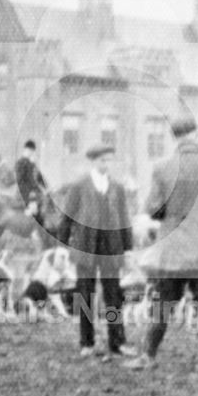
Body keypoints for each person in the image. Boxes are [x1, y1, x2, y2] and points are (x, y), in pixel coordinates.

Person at [123, 114, 198, 372]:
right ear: (195, 134)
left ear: (174, 137)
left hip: (172, 251)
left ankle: (148, 357)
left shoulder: (162, 167)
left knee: (162, 304)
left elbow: (152, 209)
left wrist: (168, 213)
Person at [57, 144, 137, 358]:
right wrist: (61, 248)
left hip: (111, 247)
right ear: (93, 162)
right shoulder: (79, 186)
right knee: (85, 295)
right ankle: (87, 342)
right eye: (103, 160)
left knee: (114, 295)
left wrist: (128, 249)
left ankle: (117, 342)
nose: (106, 164)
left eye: (109, 160)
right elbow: (66, 219)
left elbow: (124, 219)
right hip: (85, 247)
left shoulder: (117, 188)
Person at [14, 140, 47, 217]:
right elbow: (20, 181)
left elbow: (40, 178)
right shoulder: (20, 163)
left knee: (45, 201)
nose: (32, 153)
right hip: (24, 192)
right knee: (34, 208)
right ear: (27, 150)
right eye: (31, 151)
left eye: (33, 152)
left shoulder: (31, 163)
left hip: (32, 191)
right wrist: (32, 191)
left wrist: (45, 189)